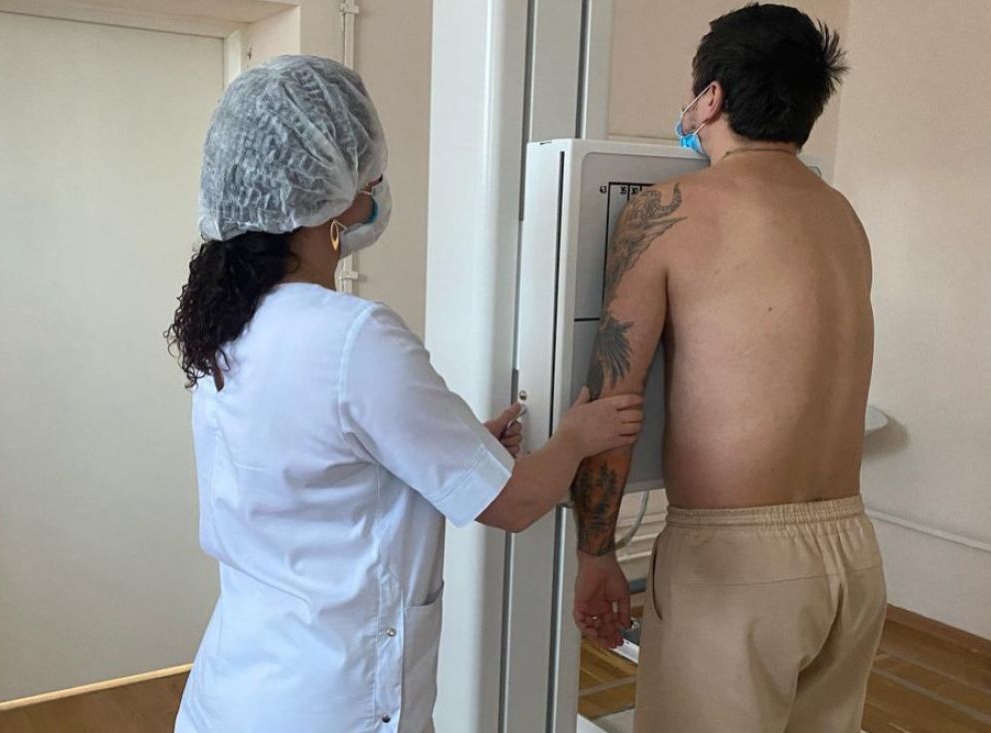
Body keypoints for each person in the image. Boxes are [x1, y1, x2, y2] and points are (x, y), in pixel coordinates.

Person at [166, 56, 644, 733]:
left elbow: (319, 467)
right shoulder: (354, 336)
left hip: (234, 689)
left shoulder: (231, 323)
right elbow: (513, 504)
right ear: (331, 197)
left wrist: (458, 447)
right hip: (331, 707)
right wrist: (577, 437)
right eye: (366, 173)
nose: (376, 189)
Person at [569, 5, 885, 732]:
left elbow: (613, 402)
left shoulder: (669, 210)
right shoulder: (842, 216)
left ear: (710, 97)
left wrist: (596, 552)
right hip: (852, 553)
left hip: (735, 566)